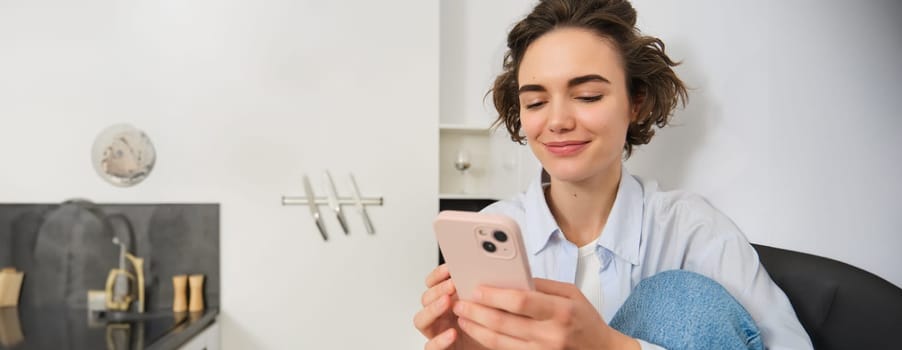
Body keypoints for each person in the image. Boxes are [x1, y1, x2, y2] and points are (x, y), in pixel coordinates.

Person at [414, 0, 813, 349]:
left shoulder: (691, 230)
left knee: (678, 299)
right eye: (535, 102)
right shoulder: (494, 230)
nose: (556, 121)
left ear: (635, 103)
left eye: (587, 96)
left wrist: (613, 348)